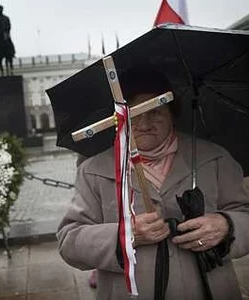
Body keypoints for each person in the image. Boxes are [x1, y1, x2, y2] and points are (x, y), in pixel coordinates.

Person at [56, 70, 249, 300]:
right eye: (135, 114)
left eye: (155, 111)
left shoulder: (214, 158)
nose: (145, 123)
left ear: (172, 113)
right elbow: (70, 241)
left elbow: (244, 214)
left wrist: (226, 226)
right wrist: (126, 235)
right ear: (119, 118)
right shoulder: (94, 170)